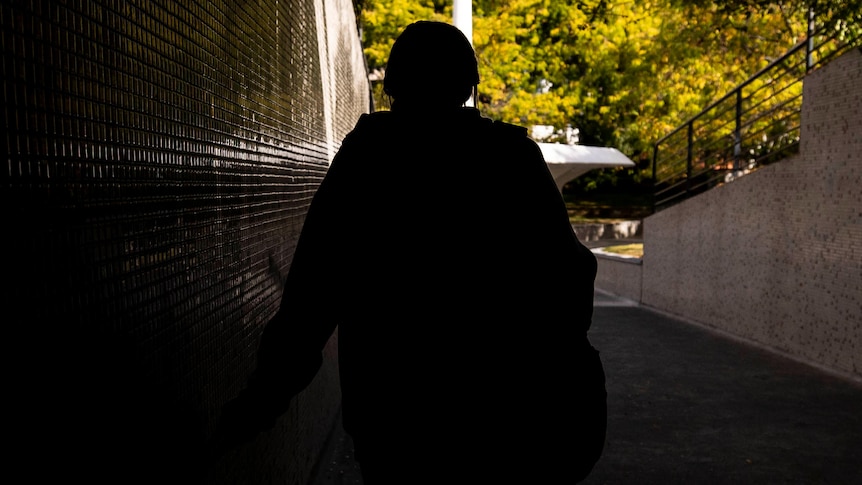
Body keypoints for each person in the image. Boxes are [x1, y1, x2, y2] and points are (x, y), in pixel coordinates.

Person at [215, 20, 605, 483]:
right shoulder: (511, 157)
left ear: (395, 84)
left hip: (393, 415)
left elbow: (313, 295)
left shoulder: (368, 159)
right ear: (469, 86)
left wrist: (260, 402)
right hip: (504, 414)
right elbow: (569, 278)